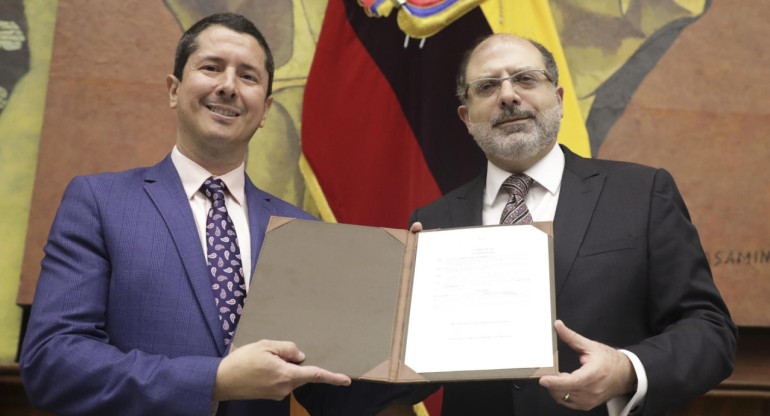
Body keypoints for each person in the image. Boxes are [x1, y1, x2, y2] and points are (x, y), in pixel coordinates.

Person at [20, 13, 421, 416]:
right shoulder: (100, 202)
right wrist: (213, 381)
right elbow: (53, 362)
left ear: (264, 109)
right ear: (174, 90)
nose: (228, 86)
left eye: (248, 76)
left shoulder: (302, 232)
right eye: (211, 68)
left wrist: (419, 330)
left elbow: (329, 387)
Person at [409, 33, 737, 416]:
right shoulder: (431, 222)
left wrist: (626, 369)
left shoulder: (641, 193)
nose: (509, 96)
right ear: (466, 117)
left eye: (526, 79)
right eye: (486, 86)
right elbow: (414, 363)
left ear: (560, 100)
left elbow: (710, 330)